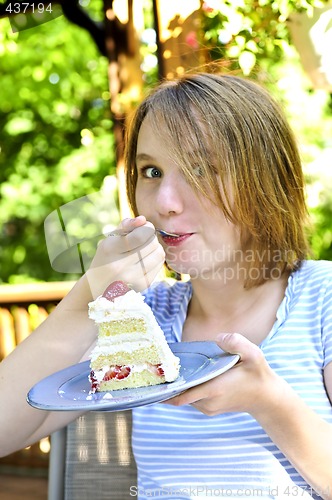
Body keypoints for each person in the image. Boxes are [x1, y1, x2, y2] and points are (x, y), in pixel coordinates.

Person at [0, 72, 332, 499]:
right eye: (151, 171)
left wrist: (269, 402)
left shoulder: (323, 298)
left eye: (202, 169)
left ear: (267, 180)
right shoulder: (141, 321)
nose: (164, 203)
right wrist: (90, 294)